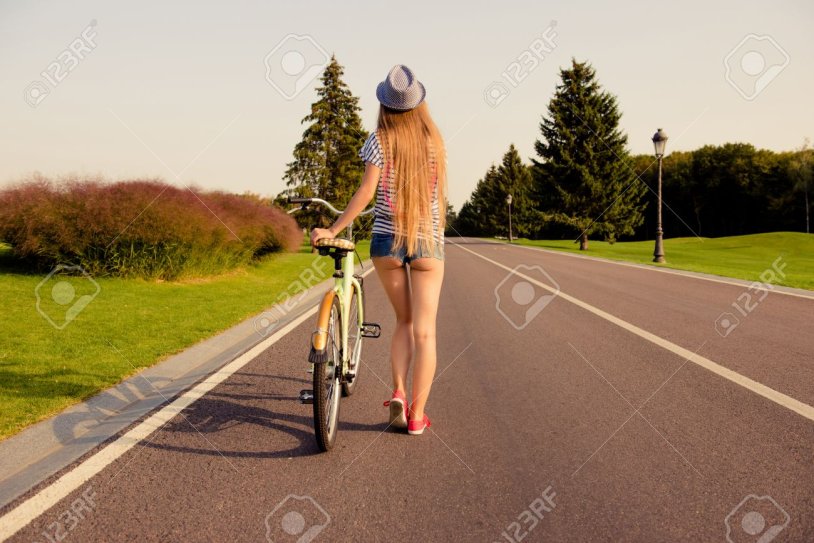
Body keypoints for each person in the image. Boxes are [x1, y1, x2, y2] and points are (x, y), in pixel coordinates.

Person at [309, 64, 447, 436]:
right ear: (419, 103)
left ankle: (399, 390)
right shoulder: (434, 142)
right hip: (427, 242)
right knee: (426, 332)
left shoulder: (378, 141)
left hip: (387, 243)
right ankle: (417, 415)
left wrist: (334, 228)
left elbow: (367, 192)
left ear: (385, 105)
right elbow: (439, 197)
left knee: (403, 322)